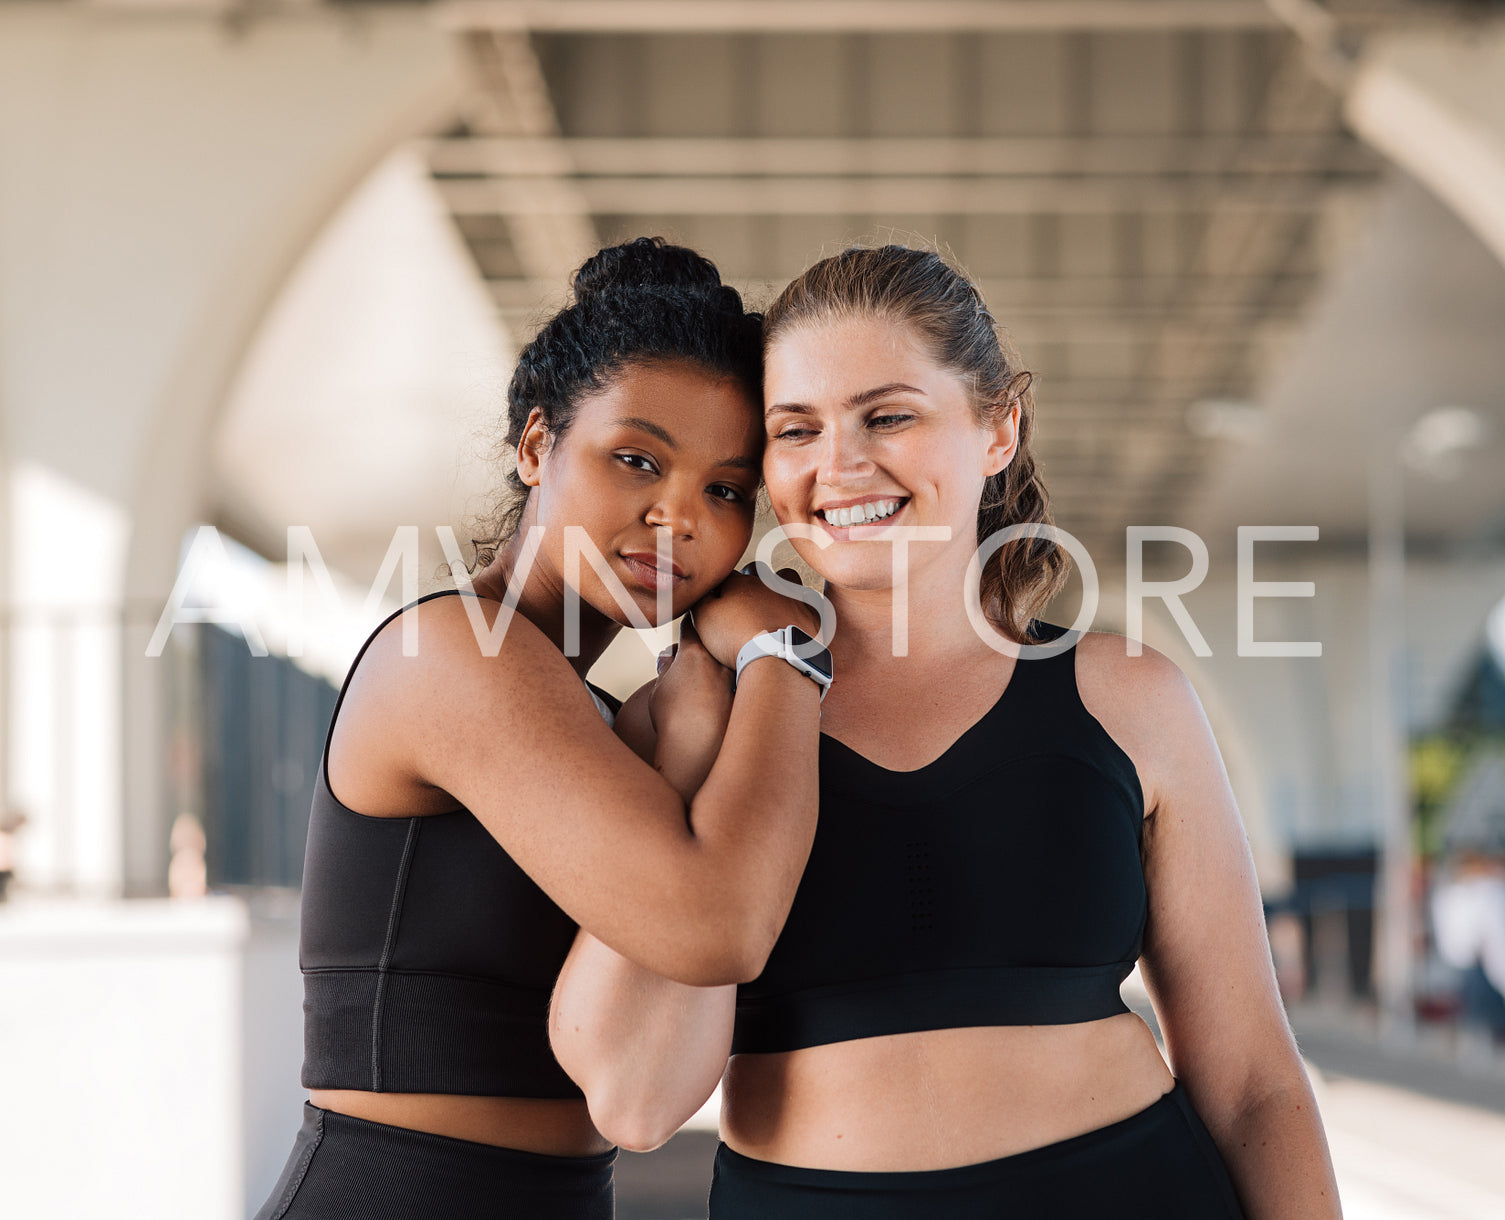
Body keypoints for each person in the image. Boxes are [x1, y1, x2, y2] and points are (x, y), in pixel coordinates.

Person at [550, 245, 1342, 1217]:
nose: (838, 465)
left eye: (887, 415)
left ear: (998, 427)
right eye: (795, 428)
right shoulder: (701, 710)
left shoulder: (1125, 696)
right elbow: (634, 1096)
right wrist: (748, 686)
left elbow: (1253, 1080)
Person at [254, 238, 826, 1220]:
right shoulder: (453, 651)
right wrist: (787, 658)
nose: (676, 516)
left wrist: (695, 718)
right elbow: (719, 922)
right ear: (534, 447)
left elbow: (641, 1089)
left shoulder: (604, 715)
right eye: (635, 459)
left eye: (725, 490)